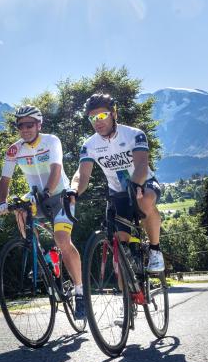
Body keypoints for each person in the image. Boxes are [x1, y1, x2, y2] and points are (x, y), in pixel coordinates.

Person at [0, 104, 85, 320]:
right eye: (20, 126)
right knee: (20, 209)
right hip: (37, 196)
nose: (24, 129)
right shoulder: (14, 149)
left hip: (60, 195)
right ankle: (41, 259)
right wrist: (1, 202)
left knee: (62, 239)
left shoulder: (51, 141)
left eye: (29, 125)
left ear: (38, 125)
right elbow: (5, 179)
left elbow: (56, 169)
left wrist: (47, 191)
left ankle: (80, 291)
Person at [71, 92, 165, 272]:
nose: (97, 121)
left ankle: (155, 251)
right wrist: (73, 191)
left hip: (143, 182)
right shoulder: (89, 145)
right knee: (120, 249)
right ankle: (130, 292)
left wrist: (136, 184)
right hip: (118, 192)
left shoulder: (134, 134)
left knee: (144, 201)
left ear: (114, 114)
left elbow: (141, 164)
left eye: (101, 116)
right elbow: (82, 177)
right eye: (92, 118)